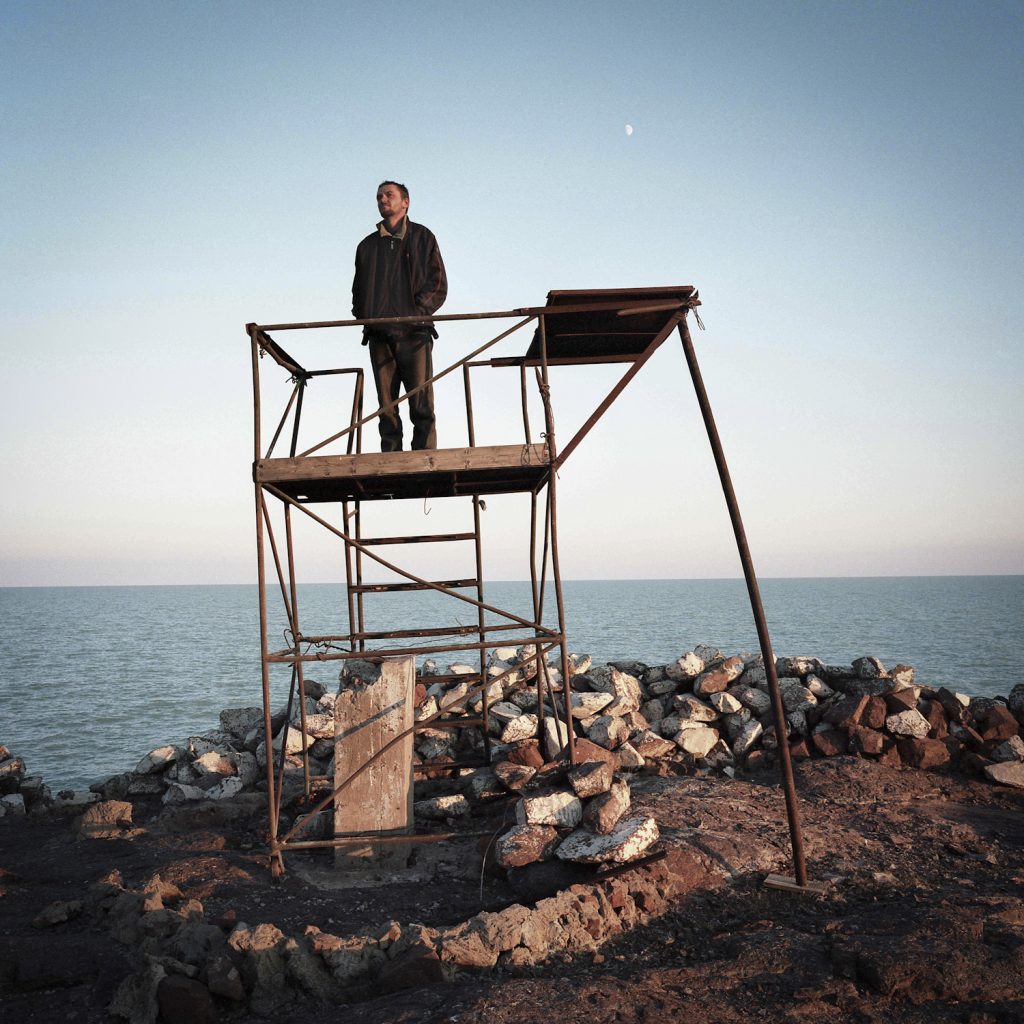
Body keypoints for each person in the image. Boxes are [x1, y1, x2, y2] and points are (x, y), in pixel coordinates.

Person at [351, 181, 447, 452]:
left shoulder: (422, 237)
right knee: (386, 406)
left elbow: (438, 283)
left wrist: (415, 313)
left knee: (421, 402)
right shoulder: (366, 247)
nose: (383, 199)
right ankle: (391, 456)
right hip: (380, 335)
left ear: (406, 202)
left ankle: (425, 457)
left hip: (415, 333)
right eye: (379, 195)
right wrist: (367, 317)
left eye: (389, 194)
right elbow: (358, 291)